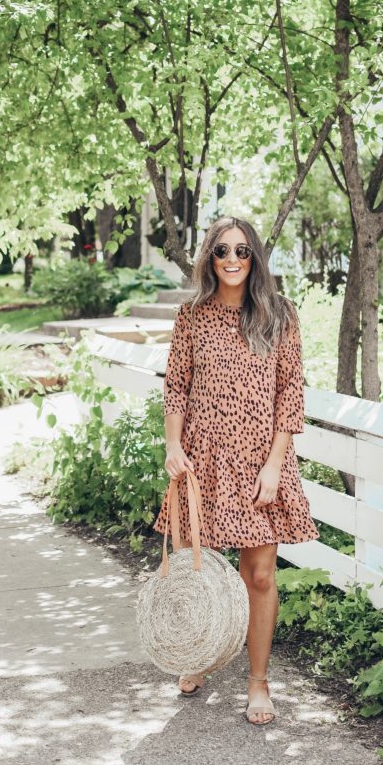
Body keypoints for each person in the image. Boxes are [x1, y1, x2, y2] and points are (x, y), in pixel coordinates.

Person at [153, 216, 319, 725]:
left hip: (258, 464)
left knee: (260, 575)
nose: (231, 259)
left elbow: (291, 393)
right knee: (196, 566)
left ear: (255, 258)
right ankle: (197, 657)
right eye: (222, 249)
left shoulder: (279, 315)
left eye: (242, 251)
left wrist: (275, 466)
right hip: (201, 460)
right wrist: (172, 446)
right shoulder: (192, 317)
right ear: (209, 257)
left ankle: (258, 682)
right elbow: (176, 386)